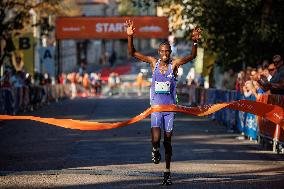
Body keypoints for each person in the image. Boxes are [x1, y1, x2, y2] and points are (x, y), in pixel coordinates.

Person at [126, 20, 201, 185]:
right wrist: (130, 36)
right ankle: (154, 149)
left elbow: (192, 56)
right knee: (156, 139)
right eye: (162, 51)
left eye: (167, 51)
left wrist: (195, 41)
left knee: (168, 141)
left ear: (170, 52)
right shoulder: (154, 63)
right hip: (156, 108)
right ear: (159, 52)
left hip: (170, 110)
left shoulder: (174, 65)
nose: (165, 54)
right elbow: (133, 53)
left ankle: (167, 173)